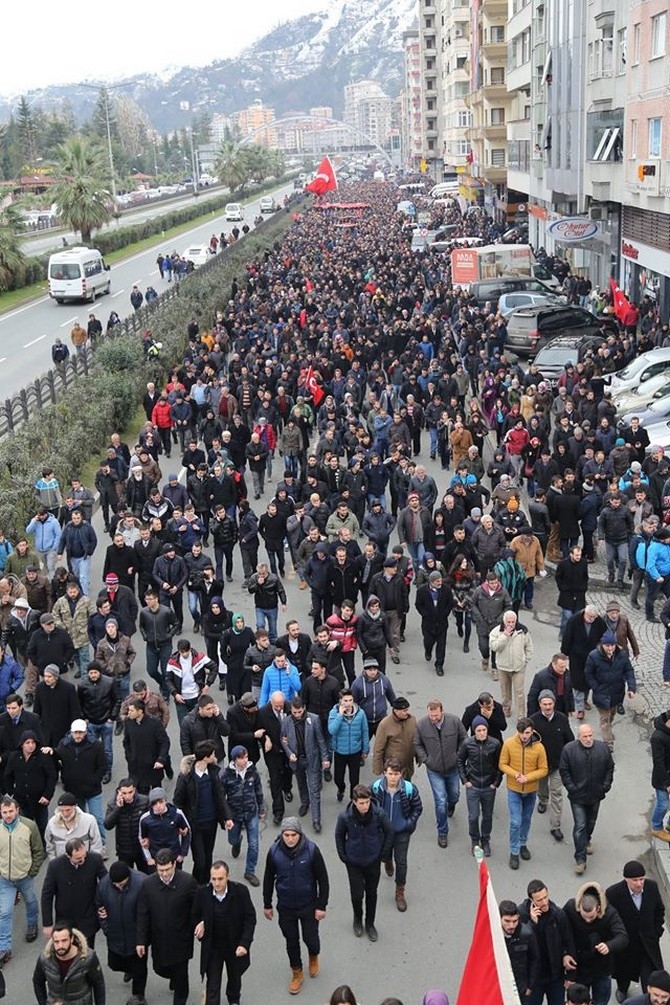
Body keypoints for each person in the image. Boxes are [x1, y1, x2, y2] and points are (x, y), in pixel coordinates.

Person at [262, 816, 330, 994]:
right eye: (286, 835)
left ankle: (313, 955)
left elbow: (323, 879)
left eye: (293, 835)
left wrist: (321, 906)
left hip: (308, 905)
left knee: (310, 939)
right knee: (291, 941)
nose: (290, 839)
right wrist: (267, 904)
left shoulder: (311, 851)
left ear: (299, 834)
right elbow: (268, 879)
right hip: (286, 906)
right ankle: (297, 972)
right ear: (282, 834)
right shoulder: (274, 852)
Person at [136, 847, 198, 1005]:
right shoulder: (148, 884)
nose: (164, 874)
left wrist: (200, 923)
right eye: (160, 870)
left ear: (174, 865)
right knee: (160, 968)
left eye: (167, 869)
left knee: (181, 975)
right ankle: (172, 977)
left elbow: (198, 907)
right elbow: (143, 913)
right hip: (159, 938)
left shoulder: (188, 882)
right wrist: (141, 940)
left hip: (181, 939)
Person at [192, 859, 257, 1005]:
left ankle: (234, 1000)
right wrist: (200, 924)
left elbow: (250, 919)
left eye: (220, 878)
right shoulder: (203, 893)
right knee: (213, 982)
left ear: (228, 877)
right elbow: (195, 915)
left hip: (234, 946)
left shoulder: (240, 892)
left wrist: (244, 944)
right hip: (213, 946)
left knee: (235, 977)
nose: (217, 883)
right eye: (213, 879)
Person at [335, 783, 392, 942]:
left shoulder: (378, 814)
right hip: (353, 862)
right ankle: (357, 919)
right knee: (357, 894)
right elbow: (339, 835)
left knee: (372, 894)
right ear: (354, 802)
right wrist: (343, 856)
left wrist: (383, 854)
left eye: (367, 802)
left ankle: (370, 924)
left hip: (373, 861)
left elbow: (389, 832)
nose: (365, 806)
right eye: (361, 803)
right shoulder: (345, 817)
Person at [174, 739, 232, 884]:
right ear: (206, 757)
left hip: (211, 822)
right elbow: (178, 802)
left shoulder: (213, 773)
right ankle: (195, 885)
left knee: (208, 857)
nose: (215, 756)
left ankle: (204, 885)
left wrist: (227, 817)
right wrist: (180, 824)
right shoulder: (186, 777)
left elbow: (220, 796)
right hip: (194, 824)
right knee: (200, 861)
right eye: (212, 754)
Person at [560, 723, 615, 874]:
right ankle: (580, 859)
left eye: (590, 735)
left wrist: (605, 785)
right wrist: (572, 787)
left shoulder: (602, 749)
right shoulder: (569, 750)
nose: (588, 738)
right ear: (579, 737)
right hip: (577, 797)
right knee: (580, 825)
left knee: (591, 822)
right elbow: (564, 771)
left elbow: (610, 767)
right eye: (585, 736)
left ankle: (587, 839)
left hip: (596, 795)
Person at [606, 861, 665, 1002]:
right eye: (635, 880)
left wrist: (656, 932)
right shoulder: (613, 894)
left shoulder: (652, 888)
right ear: (626, 879)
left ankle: (650, 999)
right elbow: (609, 921)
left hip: (647, 944)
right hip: (625, 944)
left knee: (650, 977)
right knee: (623, 972)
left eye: (641, 879)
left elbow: (659, 911)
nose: (639, 883)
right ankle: (622, 989)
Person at [562, 881, 629, 1005]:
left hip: (602, 969)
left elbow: (623, 936)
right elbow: (561, 933)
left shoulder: (610, 913)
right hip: (579, 967)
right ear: (579, 906)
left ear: (598, 909)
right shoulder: (570, 908)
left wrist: (609, 946)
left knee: (601, 1002)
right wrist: (565, 954)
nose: (587, 920)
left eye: (591, 917)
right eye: (584, 916)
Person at [370, 757, 423, 912]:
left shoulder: (409, 789)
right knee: (384, 854)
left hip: (402, 832)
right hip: (383, 832)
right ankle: (387, 860)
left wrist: (409, 823)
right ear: (384, 773)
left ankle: (400, 892)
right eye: (390, 773)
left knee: (402, 863)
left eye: (396, 774)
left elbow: (417, 808)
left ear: (401, 774)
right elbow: (369, 806)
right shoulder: (375, 788)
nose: (393, 777)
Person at [414, 698, 466, 848]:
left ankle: (452, 804)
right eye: (431, 715)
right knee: (440, 801)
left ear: (442, 711)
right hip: (434, 770)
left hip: (453, 768)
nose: (434, 718)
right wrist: (426, 760)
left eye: (436, 715)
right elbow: (417, 744)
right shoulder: (422, 725)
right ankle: (442, 832)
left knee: (455, 794)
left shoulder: (454, 721)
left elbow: (464, 739)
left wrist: (458, 756)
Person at [95, 859, 148, 1004]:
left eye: (122, 884)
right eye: (115, 884)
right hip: (115, 935)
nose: (118, 886)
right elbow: (99, 908)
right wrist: (107, 929)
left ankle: (138, 997)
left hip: (137, 938)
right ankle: (128, 970)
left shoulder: (142, 883)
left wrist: (142, 938)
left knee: (140, 969)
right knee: (116, 964)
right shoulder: (104, 885)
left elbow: (148, 913)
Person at [518, 878, 577, 1005]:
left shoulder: (558, 914)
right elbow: (520, 944)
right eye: (539, 900)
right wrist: (532, 924)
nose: (544, 902)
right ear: (531, 900)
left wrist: (570, 972)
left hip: (555, 976)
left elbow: (568, 941)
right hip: (533, 979)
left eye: (545, 897)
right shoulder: (522, 915)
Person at [499, 717, 548, 870]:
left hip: (531, 789)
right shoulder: (508, 744)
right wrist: (515, 775)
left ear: (532, 731)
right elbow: (502, 764)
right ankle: (514, 851)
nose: (524, 736)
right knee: (515, 822)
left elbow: (544, 769)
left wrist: (528, 778)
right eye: (521, 732)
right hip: (514, 789)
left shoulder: (539, 747)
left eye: (527, 733)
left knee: (526, 819)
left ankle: (522, 843)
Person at [0, 794, 44, 962]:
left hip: (25, 876)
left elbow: (38, 850)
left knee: (30, 900)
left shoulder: (29, 826)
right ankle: (4, 948)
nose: (8, 815)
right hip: (5, 879)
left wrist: (32, 871)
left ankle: (32, 923)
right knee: (4, 912)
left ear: (17, 810)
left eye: (11, 811)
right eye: (4, 812)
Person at [41, 836, 107, 945]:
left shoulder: (95, 860)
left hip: (88, 917)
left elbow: (106, 883)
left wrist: (105, 905)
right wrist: (47, 924)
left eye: (84, 856)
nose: (82, 860)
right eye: (78, 858)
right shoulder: (55, 866)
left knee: (87, 952)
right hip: (65, 919)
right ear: (68, 855)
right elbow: (47, 895)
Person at [56, 718, 107, 850]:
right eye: (75, 732)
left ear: (85, 732)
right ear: (71, 733)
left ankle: (101, 845)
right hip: (73, 791)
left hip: (93, 790)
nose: (78, 735)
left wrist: (94, 780)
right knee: (78, 821)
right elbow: (56, 761)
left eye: (80, 732)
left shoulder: (96, 745)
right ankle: (80, 846)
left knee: (97, 818)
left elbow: (102, 766)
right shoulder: (63, 745)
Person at [530, 690, 574, 844]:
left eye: (550, 704)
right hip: (540, 766)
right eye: (545, 704)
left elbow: (570, 740)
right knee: (542, 788)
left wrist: (569, 759)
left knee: (557, 793)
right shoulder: (533, 720)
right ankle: (542, 800)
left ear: (554, 704)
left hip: (558, 765)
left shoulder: (562, 718)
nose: (548, 707)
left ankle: (555, 826)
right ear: (540, 704)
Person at [281, 696, 329, 833]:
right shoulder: (286, 721)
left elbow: (320, 740)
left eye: (299, 712)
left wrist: (325, 758)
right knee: (301, 783)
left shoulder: (314, 720)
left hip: (311, 759)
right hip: (296, 760)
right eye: (294, 712)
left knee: (314, 789)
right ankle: (304, 802)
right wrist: (289, 752)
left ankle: (316, 820)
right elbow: (283, 739)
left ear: (304, 709)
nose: (296, 715)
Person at [457, 715, 502, 857]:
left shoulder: (495, 744)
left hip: (489, 786)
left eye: (484, 730)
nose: (482, 733)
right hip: (473, 786)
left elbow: (500, 764)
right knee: (473, 816)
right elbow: (460, 761)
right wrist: (465, 780)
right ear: (474, 731)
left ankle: (485, 840)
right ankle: (475, 841)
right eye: (478, 730)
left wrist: (496, 783)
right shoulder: (467, 744)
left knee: (487, 816)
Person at [221, 744, 266, 885]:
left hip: (251, 811)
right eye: (241, 758)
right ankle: (237, 842)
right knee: (232, 839)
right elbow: (221, 797)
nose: (245, 760)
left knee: (254, 844)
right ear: (234, 759)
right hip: (234, 814)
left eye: (246, 757)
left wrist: (262, 809)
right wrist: (225, 816)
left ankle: (250, 872)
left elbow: (258, 790)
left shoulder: (252, 771)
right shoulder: (226, 775)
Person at [584, 630, 636, 749]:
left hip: (616, 694)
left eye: (612, 645)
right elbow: (588, 675)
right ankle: (608, 742)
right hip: (601, 694)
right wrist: (596, 687)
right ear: (602, 644)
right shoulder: (593, 656)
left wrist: (631, 688)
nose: (610, 648)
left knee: (611, 715)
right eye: (607, 645)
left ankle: (608, 728)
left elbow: (629, 671)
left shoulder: (622, 655)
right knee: (605, 719)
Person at [33, 921, 106, 1005]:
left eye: (64, 940)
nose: (60, 946)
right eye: (56, 941)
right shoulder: (45, 959)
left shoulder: (87, 958)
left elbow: (98, 985)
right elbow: (37, 982)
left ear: (71, 939)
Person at [3, 729, 55, 841]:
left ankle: (43, 849)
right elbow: (7, 775)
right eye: (27, 743)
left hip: (40, 800)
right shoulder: (14, 756)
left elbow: (51, 777)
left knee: (42, 827)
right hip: (21, 801)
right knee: (24, 827)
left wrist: (47, 795)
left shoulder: (43, 757)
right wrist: (12, 792)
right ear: (22, 744)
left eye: (33, 742)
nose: (31, 745)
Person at [257, 691, 294, 824]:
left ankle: (288, 788)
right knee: (275, 779)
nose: (279, 708)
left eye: (281, 705)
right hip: (272, 752)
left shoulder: (290, 708)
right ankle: (278, 811)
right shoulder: (262, 712)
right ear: (271, 702)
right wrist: (265, 738)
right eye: (276, 706)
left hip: (288, 750)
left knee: (288, 772)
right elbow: (259, 730)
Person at [489, 610, 534, 720]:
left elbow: (529, 647)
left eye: (513, 622)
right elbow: (495, 647)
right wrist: (504, 636)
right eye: (508, 622)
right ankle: (506, 707)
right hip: (503, 667)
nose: (510, 624)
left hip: (518, 667)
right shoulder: (496, 632)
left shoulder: (523, 631)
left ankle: (521, 715)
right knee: (505, 691)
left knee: (519, 692)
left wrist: (524, 660)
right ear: (504, 622)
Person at [328, 689, 370, 803]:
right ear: (340, 701)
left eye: (350, 700)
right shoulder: (334, 713)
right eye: (345, 700)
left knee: (354, 780)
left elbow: (365, 731)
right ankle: (341, 789)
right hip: (340, 752)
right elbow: (331, 730)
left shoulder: (360, 713)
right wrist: (340, 716)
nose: (348, 703)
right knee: (338, 778)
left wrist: (365, 749)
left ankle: (353, 800)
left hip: (355, 752)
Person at [122, 697, 170, 794]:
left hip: (153, 766)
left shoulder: (154, 723)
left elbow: (164, 742)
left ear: (140, 711)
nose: (128, 713)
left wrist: (161, 759)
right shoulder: (128, 722)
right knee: (141, 798)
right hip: (136, 767)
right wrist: (129, 757)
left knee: (157, 794)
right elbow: (126, 742)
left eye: (131, 710)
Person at [138, 589, 179, 700]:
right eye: (146, 599)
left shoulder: (166, 611)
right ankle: (162, 682)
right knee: (151, 670)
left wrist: (169, 635)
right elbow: (141, 626)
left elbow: (176, 624)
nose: (147, 601)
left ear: (156, 599)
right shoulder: (144, 612)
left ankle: (166, 693)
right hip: (151, 645)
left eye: (150, 599)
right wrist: (145, 636)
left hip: (165, 645)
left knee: (166, 670)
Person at [104, 778, 150, 872]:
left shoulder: (144, 801)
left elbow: (151, 822)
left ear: (135, 790)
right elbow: (108, 825)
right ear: (119, 792)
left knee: (146, 877)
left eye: (130, 792)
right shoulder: (112, 804)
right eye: (124, 793)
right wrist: (118, 808)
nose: (128, 796)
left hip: (141, 849)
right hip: (124, 850)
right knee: (127, 878)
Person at [499, 899, 541, 1001]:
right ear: (499, 918)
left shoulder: (526, 934)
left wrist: (530, 986)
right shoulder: (494, 936)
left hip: (521, 988)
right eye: (507, 921)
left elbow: (535, 959)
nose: (511, 926)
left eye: (515, 921)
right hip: (500, 986)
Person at [415, 569, 453, 677]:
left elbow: (450, 603)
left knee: (441, 645)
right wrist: (425, 614)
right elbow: (418, 605)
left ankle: (439, 665)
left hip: (442, 623)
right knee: (428, 641)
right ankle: (428, 650)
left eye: (440, 580)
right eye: (437, 581)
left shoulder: (446, 590)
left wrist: (445, 613)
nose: (440, 583)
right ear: (431, 582)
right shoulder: (422, 591)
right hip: (428, 623)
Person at [44, 792, 103, 859]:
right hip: (62, 866)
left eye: (68, 810)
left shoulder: (89, 820)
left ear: (75, 807)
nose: (65, 814)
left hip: (85, 863)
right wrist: (54, 862)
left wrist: (92, 862)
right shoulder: (52, 823)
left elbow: (96, 844)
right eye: (62, 810)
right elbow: (49, 845)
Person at [372, 697, 417, 780]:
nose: (407, 713)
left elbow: (416, 740)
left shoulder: (412, 720)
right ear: (396, 711)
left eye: (407, 710)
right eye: (404, 711)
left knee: (406, 790)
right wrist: (378, 769)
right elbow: (378, 748)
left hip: (408, 767)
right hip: (393, 769)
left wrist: (418, 757)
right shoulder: (385, 724)